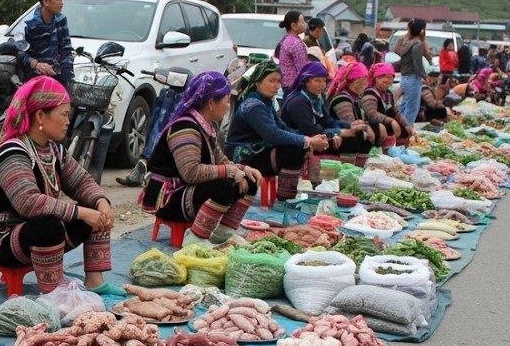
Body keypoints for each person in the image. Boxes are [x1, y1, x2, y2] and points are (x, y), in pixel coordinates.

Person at [0, 76, 124, 297]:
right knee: (50, 225)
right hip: (1, 239)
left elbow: (81, 181)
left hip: (32, 232)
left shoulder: (54, 150)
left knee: (94, 209)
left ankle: (95, 281)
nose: (68, 122)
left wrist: (101, 202)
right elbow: (29, 203)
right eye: (63, 115)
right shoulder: (12, 152)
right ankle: (54, 295)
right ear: (41, 115)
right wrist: (82, 213)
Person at [140, 70, 261, 249]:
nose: (228, 106)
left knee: (250, 180)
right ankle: (196, 239)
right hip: (170, 198)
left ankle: (222, 232)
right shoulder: (185, 128)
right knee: (224, 186)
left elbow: (221, 161)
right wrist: (230, 172)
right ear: (211, 103)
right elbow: (191, 173)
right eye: (226, 101)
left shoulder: (207, 126)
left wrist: (242, 170)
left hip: (187, 190)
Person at [224, 59, 330, 202]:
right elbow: (273, 134)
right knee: (294, 150)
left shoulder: (265, 104)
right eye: (271, 81)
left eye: (279, 81)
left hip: (257, 152)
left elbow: (283, 128)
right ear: (257, 82)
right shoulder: (253, 106)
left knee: (298, 145)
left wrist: (309, 140)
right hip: (241, 156)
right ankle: (285, 199)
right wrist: (308, 141)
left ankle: (284, 196)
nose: (276, 86)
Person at [280, 60, 367, 180]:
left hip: (315, 136)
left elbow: (328, 121)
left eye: (324, 81)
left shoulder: (317, 99)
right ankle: (335, 178)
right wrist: (336, 133)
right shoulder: (298, 101)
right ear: (306, 82)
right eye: (317, 81)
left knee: (354, 135)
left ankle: (348, 175)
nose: (322, 85)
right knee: (347, 140)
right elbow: (309, 129)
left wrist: (350, 125)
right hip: (297, 141)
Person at [17, 0, 74, 87]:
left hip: (57, 75)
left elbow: (66, 49)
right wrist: (35, 64)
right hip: (34, 78)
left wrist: (68, 77)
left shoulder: (61, 19)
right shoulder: (28, 23)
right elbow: (18, 51)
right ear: (46, 1)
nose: (61, 3)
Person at [326, 61, 378, 168]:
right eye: (362, 81)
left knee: (374, 127)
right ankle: (348, 168)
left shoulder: (354, 98)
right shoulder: (341, 99)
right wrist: (366, 128)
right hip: (336, 137)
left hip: (343, 133)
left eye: (365, 81)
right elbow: (351, 124)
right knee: (355, 135)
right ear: (352, 82)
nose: (365, 85)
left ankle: (358, 167)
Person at [360, 62, 413, 148]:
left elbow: (394, 111)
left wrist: (406, 125)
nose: (388, 81)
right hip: (371, 123)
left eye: (390, 78)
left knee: (405, 129)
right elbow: (371, 114)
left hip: (384, 122)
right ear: (376, 78)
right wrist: (391, 121)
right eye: (384, 78)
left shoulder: (388, 94)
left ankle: (400, 151)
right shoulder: (370, 93)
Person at [394, 18, 431, 128]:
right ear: (422, 31)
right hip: (413, 78)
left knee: (404, 106)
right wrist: (425, 77)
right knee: (412, 108)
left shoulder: (406, 43)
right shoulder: (417, 45)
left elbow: (397, 51)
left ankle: (400, 127)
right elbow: (418, 64)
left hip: (405, 78)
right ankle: (406, 130)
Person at [276, 10, 309, 95]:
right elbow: (302, 68)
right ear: (294, 26)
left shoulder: (287, 39)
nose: (304, 24)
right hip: (295, 85)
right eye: (302, 22)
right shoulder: (295, 43)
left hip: (286, 84)